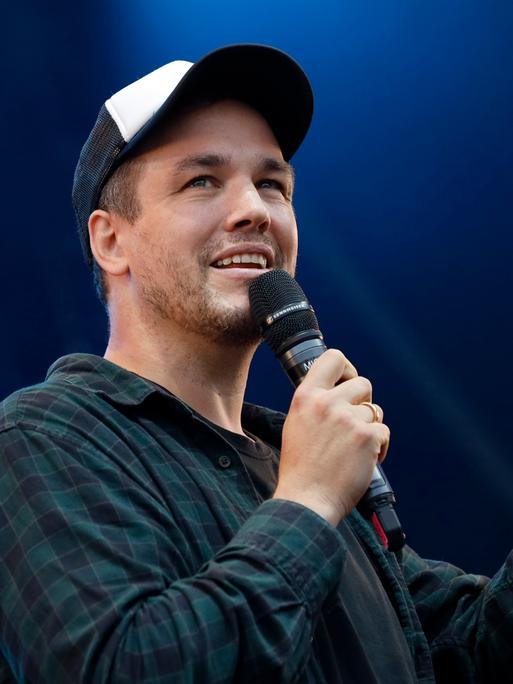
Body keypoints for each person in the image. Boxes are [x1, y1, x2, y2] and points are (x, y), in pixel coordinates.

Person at [0, 44, 510, 684]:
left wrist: (309, 490)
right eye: (202, 181)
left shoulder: (289, 454)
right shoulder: (42, 440)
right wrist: (310, 498)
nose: (255, 210)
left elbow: (474, 647)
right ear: (111, 239)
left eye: (273, 184)